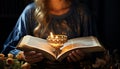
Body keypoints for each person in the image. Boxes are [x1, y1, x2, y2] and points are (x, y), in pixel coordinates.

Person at [1, 0, 109, 69]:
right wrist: (23, 55)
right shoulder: (30, 12)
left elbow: (97, 51)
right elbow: (9, 48)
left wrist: (84, 55)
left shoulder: (82, 12)